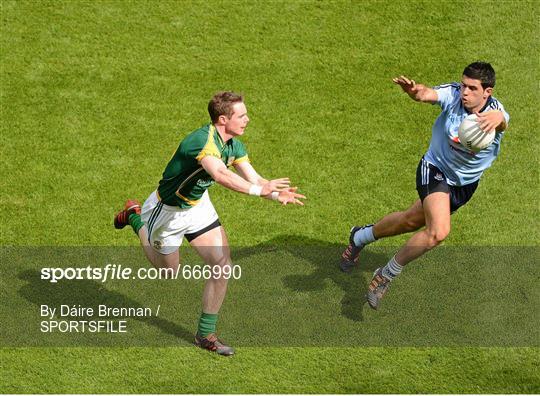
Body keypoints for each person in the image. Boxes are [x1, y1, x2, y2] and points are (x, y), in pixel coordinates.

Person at [114, 91, 305, 355]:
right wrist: (260, 191)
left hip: (198, 205)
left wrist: (274, 194)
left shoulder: (233, 145)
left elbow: (254, 178)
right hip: (167, 212)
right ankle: (136, 218)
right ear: (223, 119)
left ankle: (205, 334)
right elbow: (221, 174)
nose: (248, 119)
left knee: (222, 265)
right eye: (242, 115)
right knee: (168, 271)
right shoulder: (201, 142)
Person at [340, 62, 509, 310]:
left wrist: (500, 118)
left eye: (473, 88)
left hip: (464, 185)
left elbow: (503, 121)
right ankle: (385, 275)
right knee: (438, 231)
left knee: (410, 221)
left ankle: (359, 236)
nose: (465, 92)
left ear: (487, 92)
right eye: (463, 85)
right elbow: (428, 93)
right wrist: (414, 91)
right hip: (435, 168)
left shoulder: (495, 114)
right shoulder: (453, 96)